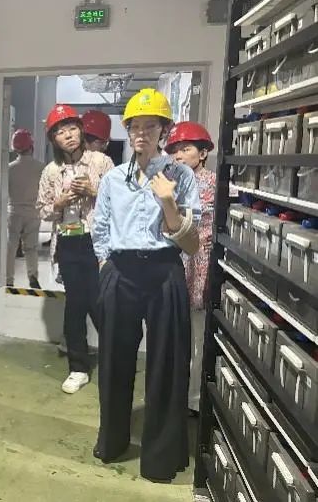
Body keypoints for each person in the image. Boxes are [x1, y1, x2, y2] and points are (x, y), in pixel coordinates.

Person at [92, 89, 201, 483]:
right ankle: (112, 440)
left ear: (163, 131)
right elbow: (100, 227)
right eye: (135, 126)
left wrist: (168, 201)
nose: (141, 133)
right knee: (113, 361)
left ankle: (160, 458)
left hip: (164, 270)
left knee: (167, 366)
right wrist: (106, 266)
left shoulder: (181, 177)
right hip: (120, 271)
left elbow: (192, 244)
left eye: (149, 126)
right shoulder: (113, 179)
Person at [36, 105, 114, 394]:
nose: (67, 135)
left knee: (100, 302)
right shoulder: (50, 171)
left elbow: (119, 200)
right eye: (60, 132)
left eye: (71, 129)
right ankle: (78, 368)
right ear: (53, 139)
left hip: (97, 240)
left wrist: (93, 191)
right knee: (75, 305)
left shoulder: (101, 162)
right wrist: (59, 203)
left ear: (81, 131)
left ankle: (114, 359)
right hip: (68, 241)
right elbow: (42, 209)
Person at [164, 121, 216, 415]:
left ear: (203, 153)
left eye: (185, 149)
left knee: (198, 335)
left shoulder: (214, 184)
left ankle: (193, 399)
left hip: (201, 264)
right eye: (175, 150)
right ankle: (174, 393)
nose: (179, 155)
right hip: (174, 262)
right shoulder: (170, 182)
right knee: (174, 333)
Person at [6, 129, 44, 289]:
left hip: (13, 212)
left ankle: (8, 279)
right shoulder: (41, 168)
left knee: (10, 247)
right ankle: (33, 277)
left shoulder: (9, 168)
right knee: (31, 248)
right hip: (33, 213)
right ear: (31, 146)